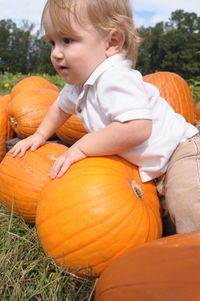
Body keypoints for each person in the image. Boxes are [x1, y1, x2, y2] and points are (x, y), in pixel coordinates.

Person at [10, 0, 200, 234]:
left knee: (189, 206)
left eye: (67, 40)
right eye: (52, 43)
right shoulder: (78, 85)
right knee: (165, 223)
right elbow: (59, 108)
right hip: (156, 168)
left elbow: (137, 128)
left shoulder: (115, 78)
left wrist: (83, 146)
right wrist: (39, 135)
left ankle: (192, 257)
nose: (56, 53)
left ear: (111, 42)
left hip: (182, 152)